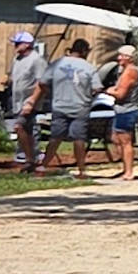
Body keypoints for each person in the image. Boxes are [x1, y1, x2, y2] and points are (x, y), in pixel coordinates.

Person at [45, 38, 99, 175]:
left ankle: (43, 166)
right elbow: (97, 88)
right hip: (80, 107)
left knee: (55, 137)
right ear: (84, 51)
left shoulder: (57, 63)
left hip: (60, 105)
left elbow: (43, 82)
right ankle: (81, 169)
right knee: (79, 139)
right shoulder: (88, 67)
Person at [97, 42, 138, 182]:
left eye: (122, 56)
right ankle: (124, 167)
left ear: (130, 58)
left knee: (125, 141)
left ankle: (129, 172)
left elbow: (120, 94)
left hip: (127, 109)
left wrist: (107, 91)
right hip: (120, 109)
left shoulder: (130, 72)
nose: (119, 58)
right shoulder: (123, 72)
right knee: (115, 138)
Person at [4, 31, 50, 173]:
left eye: (17, 44)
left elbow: (41, 83)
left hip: (29, 103)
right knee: (28, 131)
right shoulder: (17, 59)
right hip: (17, 102)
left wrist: (32, 101)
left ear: (27, 44)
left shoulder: (37, 60)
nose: (15, 46)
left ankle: (31, 159)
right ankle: (33, 160)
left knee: (19, 127)